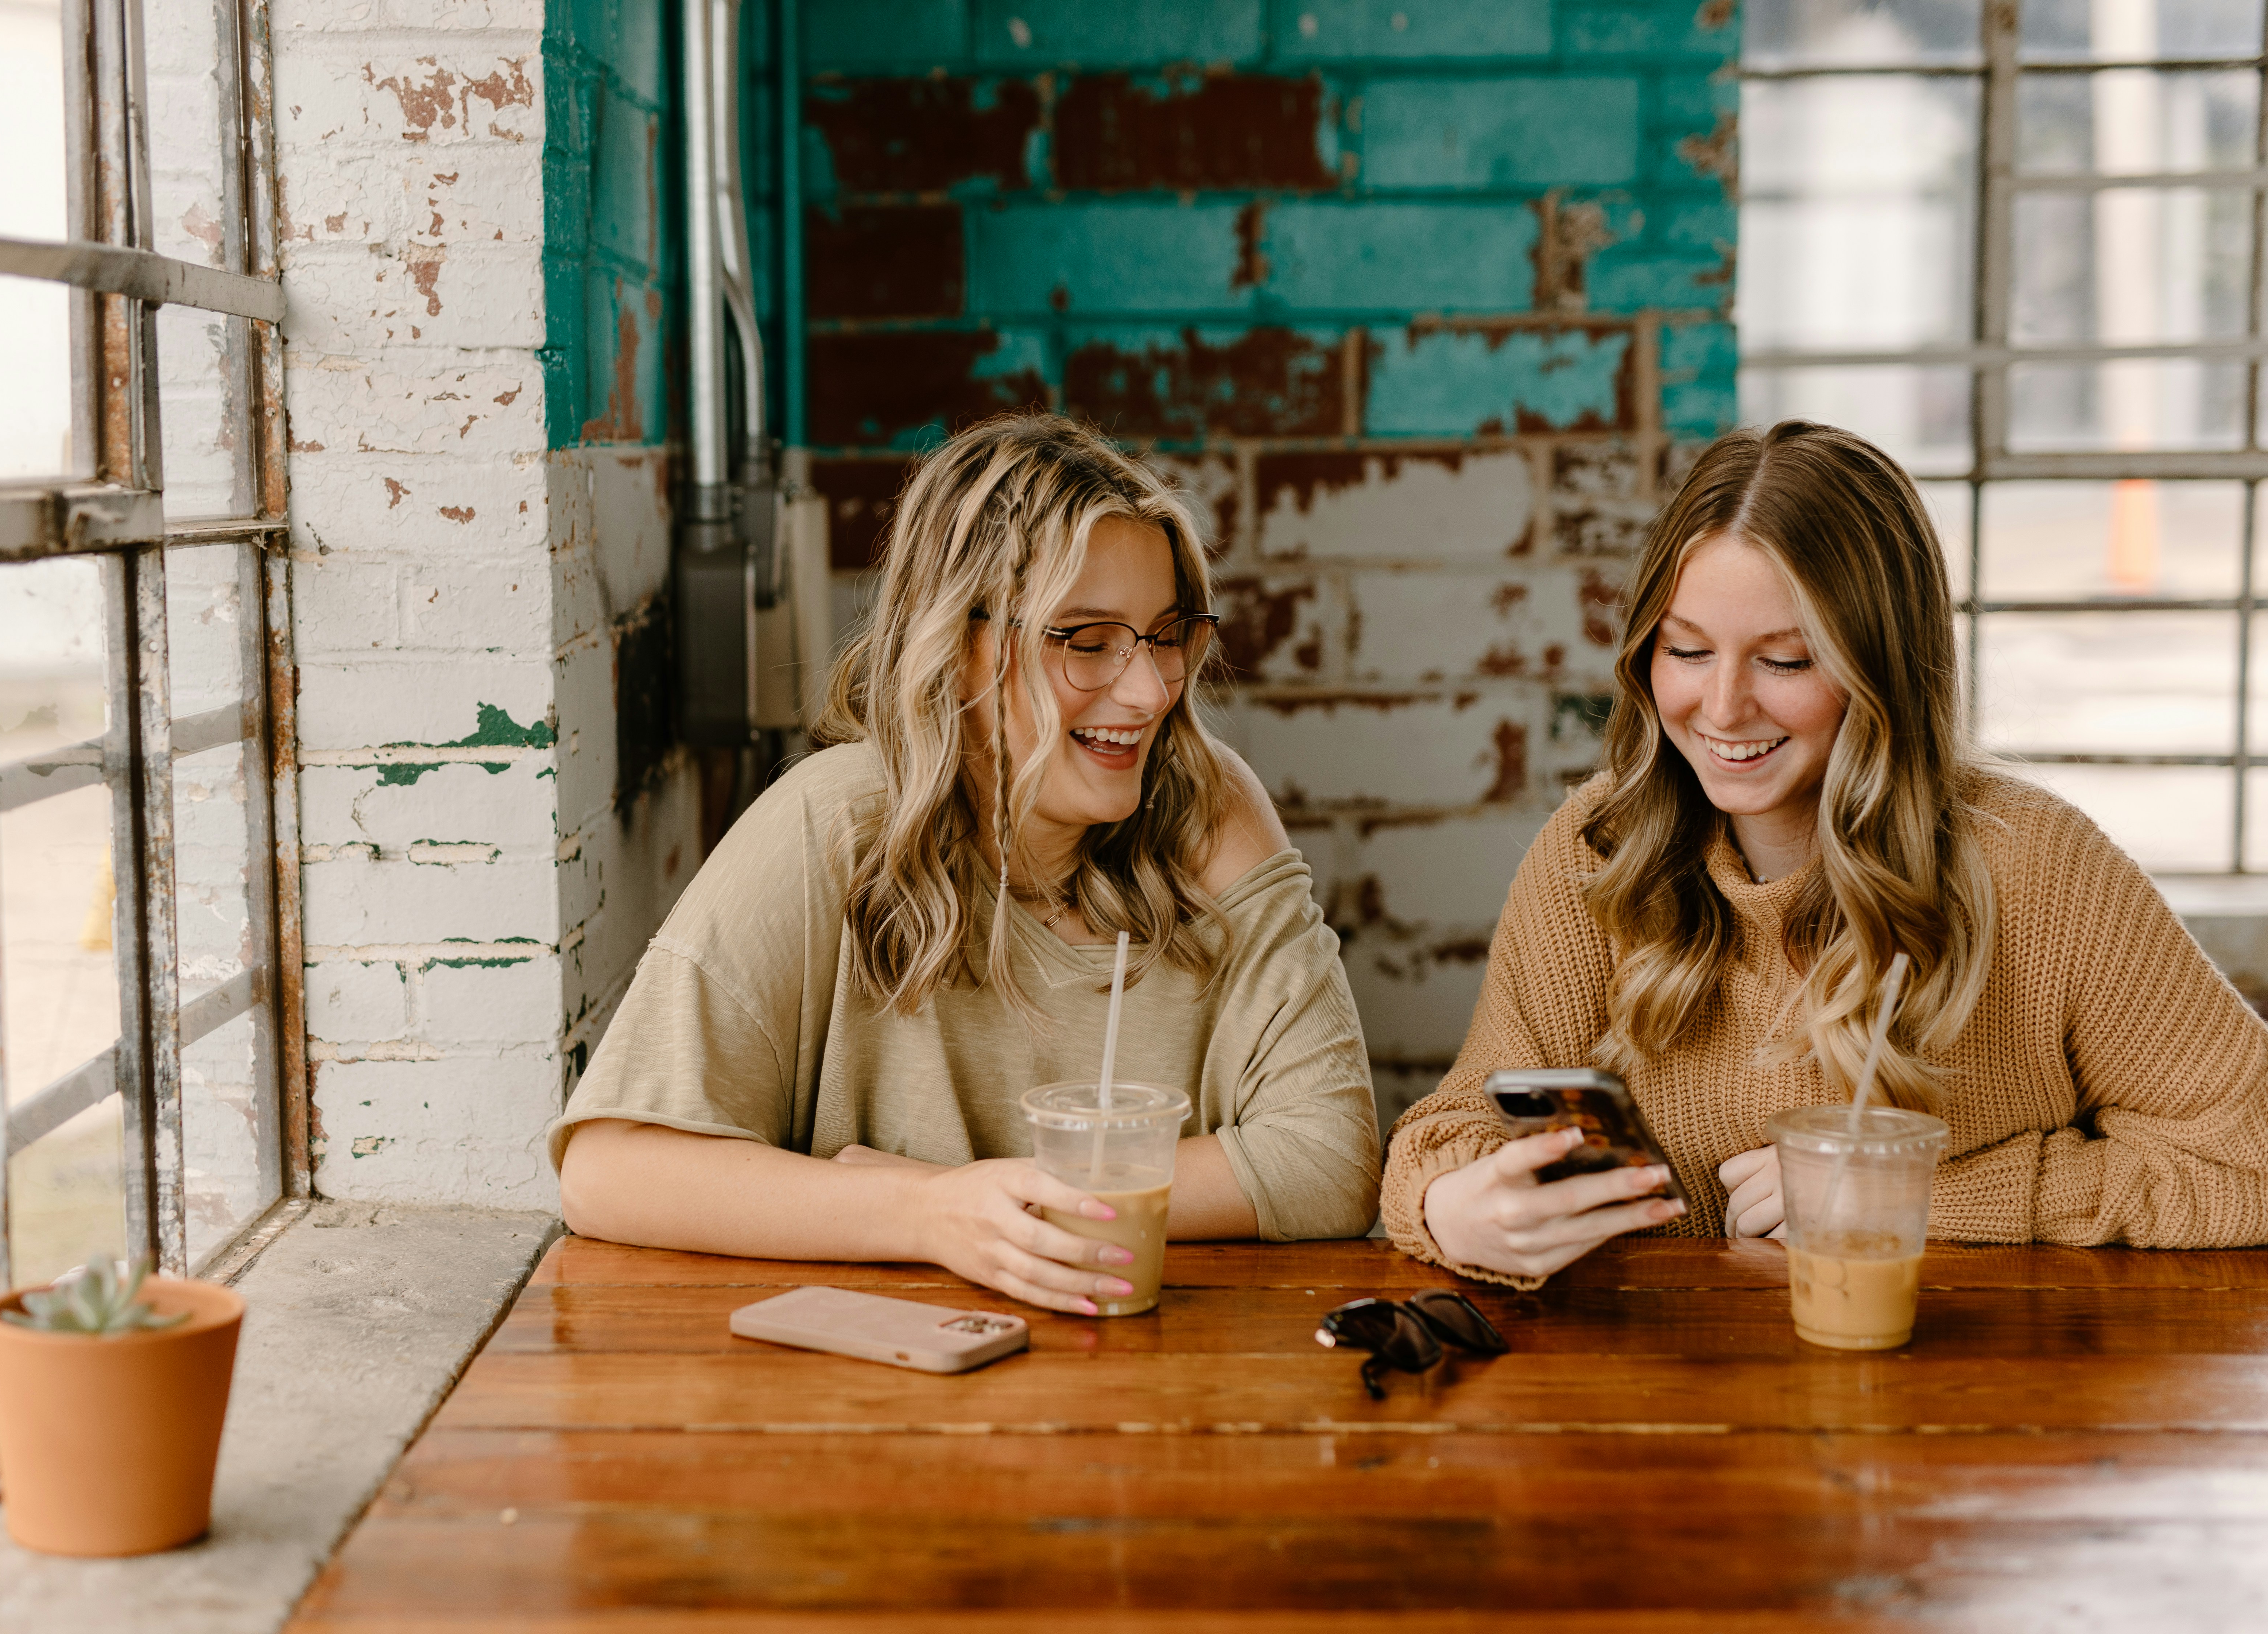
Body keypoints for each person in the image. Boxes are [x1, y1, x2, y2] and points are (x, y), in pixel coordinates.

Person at [1383, 419, 2268, 1288]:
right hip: (1662, 1405)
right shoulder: (1599, 851)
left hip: (1967, 1398)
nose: (1722, 708)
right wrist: (1449, 1206)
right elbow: (1451, 1129)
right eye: (1686, 649)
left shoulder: (2036, 867)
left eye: (1788, 661)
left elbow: (2250, 1163)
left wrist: (1916, 1196)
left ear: (1882, 669)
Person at [555, 414, 1382, 1313]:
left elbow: (1331, 1157)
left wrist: (990, 1196)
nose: (1149, 691)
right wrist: (925, 1213)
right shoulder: (832, 820)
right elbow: (608, 1168)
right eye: (1087, 639)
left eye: (1165, 633)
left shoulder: (1206, 807)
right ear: (957, 650)